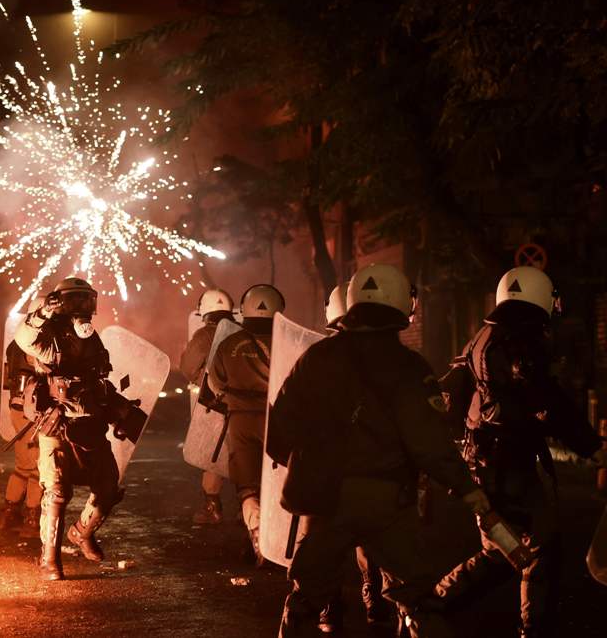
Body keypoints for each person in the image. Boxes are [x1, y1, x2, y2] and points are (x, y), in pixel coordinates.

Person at [267, 264, 490, 638]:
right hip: (386, 501)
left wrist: (307, 465)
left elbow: (281, 427)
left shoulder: (315, 359)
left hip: (325, 499)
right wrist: (467, 488)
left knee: (305, 598)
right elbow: (430, 444)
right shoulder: (409, 368)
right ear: (403, 306)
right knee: (418, 600)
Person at [435, 267, 604, 638]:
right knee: (539, 546)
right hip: (509, 467)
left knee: (503, 551)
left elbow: (455, 398)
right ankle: (532, 630)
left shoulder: (481, 338)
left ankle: (433, 602)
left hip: (482, 464)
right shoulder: (521, 341)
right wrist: (592, 446)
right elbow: (548, 398)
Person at [14, 277, 123, 581]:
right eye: (73, 301)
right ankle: (49, 558)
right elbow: (25, 339)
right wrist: (41, 314)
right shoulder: (51, 338)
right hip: (58, 424)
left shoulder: (92, 337)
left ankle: (82, 533)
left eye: (86, 300)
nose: (82, 308)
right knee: (58, 491)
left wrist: (118, 410)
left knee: (108, 488)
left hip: (90, 423)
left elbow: (101, 377)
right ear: (60, 304)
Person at [317, 282, 394, 632]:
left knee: (326, 543)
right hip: (373, 467)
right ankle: (375, 596)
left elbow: (287, 415)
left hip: (330, 469)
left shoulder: (314, 358)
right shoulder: (390, 358)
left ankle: (329, 609)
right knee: (369, 535)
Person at [207, 283, 284, 562]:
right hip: (277, 420)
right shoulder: (288, 344)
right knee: (280, 482)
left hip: (240, 422)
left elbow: (215, 382)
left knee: (247, 485)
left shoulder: (228, 344)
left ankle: (257, 538)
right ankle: (281, 541)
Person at [179, 288, 235, 524]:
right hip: (248, 407)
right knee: (247, 457)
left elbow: (188, 367)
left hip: (217, 406)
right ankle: (251, 513)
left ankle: (213, 508)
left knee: (214, 457)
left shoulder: (205, 334)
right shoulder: (242, 331)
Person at [0, 298, 44, 537]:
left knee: (22, 466)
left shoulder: (17, 342)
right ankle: (32, 516)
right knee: (38, 467)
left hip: (18, 411)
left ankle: (9, 512)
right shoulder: (32, 342)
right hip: (32, 412)